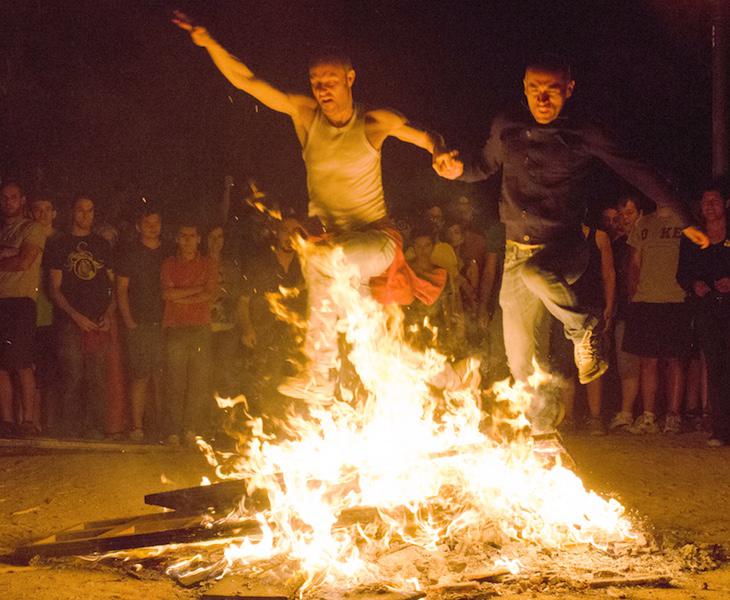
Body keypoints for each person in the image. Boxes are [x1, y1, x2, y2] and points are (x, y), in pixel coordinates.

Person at [173, 12, 455, 402]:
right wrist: (210, 44)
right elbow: (248, 81)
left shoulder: (373, 122)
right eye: (316, 82)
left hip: (376, 243)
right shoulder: (305, 116)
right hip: (334, 247)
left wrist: (441, 154)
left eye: (331, 81)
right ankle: (452, 381)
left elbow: (426, 136)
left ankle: (320, 374)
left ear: (350, 79)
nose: (322, 89)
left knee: (322, 259)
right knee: (374, 342)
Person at [436, 54, 708, 397]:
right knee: (519, 361)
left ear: (569, 89)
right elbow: (483, 165)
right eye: (535, 89)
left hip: (564, 247)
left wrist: (684, 218)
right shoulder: (507, 125)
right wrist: (456, 170)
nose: (542, 99)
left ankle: (585, 330)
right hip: (516, 250)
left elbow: (638, 171)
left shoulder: (584, 132)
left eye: (552, 90)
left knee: (537, 273)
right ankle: (539, 434)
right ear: (524, 87)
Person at [48, 197, 115, 438]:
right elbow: (54, 288)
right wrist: (75, 316)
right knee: (73, 374)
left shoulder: (102, 244)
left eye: (90, 210)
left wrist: (108, 314)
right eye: (81, 210)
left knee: (96, 375)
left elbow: (113, 285)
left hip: (97, 320)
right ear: (72, 212)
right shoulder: (60, 243)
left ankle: (95, 428)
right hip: (70, 321)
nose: (85, 215)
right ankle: (69, 429)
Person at [623, 204, 692, 434]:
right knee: (648, 361)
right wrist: (634, 295)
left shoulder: (684, 220)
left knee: (675, 360)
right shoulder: (643, 223)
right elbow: (634, 263)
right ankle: (649, 416)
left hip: (676, 299)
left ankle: (673, 416)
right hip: (646, 300)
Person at [677, 184, 730, 446]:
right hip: (708, 309)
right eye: (705, 201)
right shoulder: (692, 236)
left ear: (726, 203)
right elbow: (682, 273)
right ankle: (721, 430)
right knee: (717, 367)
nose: (709, 206)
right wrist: (694, 284)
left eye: (715, 200)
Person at [160, 222, 217, 446]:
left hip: (200, 327)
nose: (187, 240)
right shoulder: (168, 264)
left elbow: (210, 294)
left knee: (197, 381)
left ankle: (190, 428)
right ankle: (173, 430)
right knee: (175, 381)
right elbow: (167, 294)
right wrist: (197, 290)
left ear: (198, 239)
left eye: (191, 236)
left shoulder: (208, 264)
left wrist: (179, 295)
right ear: (177, 239)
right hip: (175, 327)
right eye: (183, 236)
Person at [0, 182, 46, 437]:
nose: (8, 202)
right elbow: (15, 259)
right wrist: (9, 253)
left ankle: (28, 420)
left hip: (20, 302)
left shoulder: (32, 228)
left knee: (22, 363)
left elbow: (24, 262)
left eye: (13, 197)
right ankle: (6, 422)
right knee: (1, 366)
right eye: (4, 198)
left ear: (22, 199)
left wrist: (13, 255)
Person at [116, 205, 164, 442]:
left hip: (165, 323)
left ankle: (162, 428)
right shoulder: (130, 253)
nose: (153, 227)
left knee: (162, 375)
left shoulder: (169, 251)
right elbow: (121, 289)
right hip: (140, 323)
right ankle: (137, 427)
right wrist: (129, 321)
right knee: (140, 376)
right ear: (139, 226)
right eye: (148, 223)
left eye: (156, 222)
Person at [30, 196, 60, 433]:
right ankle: (34, 423)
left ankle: (51, 424)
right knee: (33, 372)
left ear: (54, 213)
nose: (43, 214)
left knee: (53, 374)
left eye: (47, 209)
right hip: (32, 315)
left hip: (57, 316)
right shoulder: (26, 238)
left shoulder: (61, 241)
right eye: (38, 210)